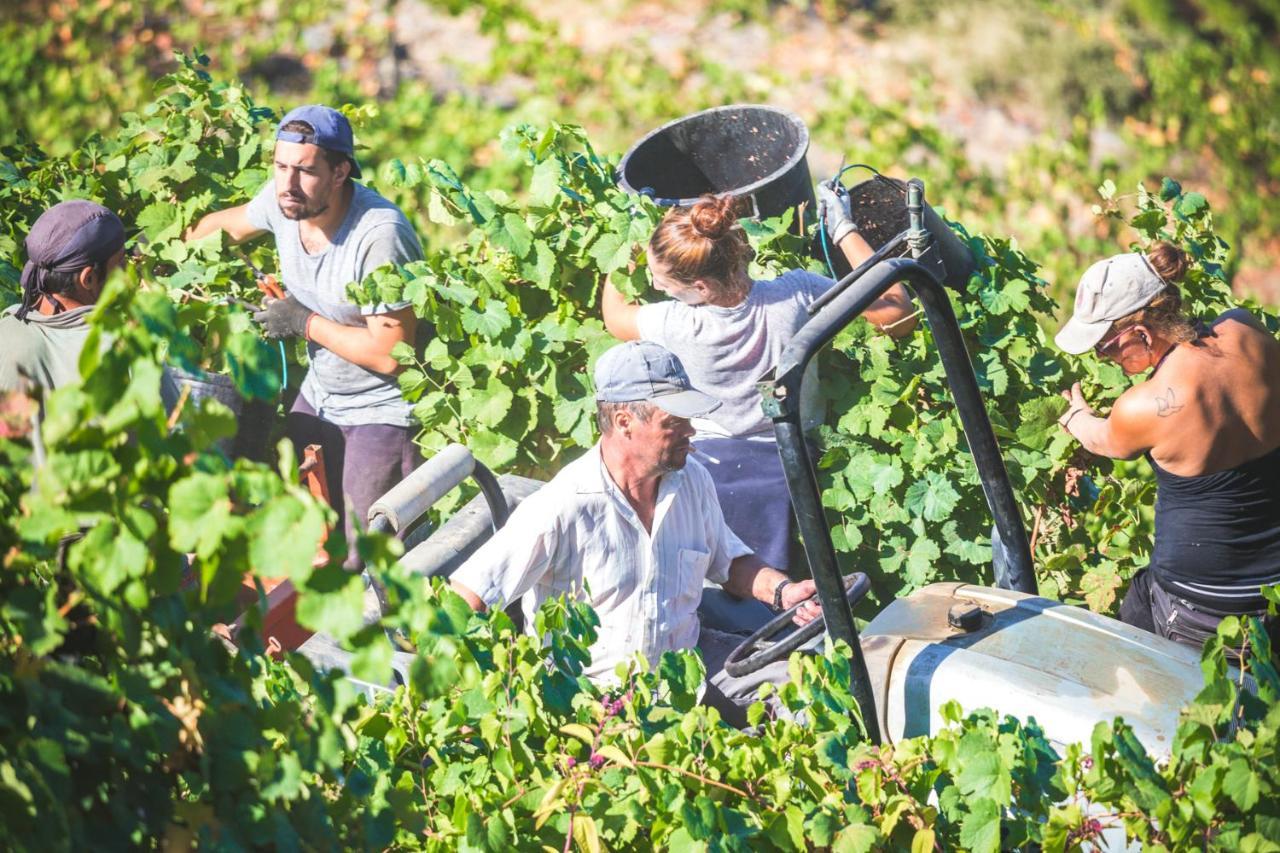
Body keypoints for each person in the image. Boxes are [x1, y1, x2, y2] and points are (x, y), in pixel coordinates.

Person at [449, 341, 826, 726]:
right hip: (595, 695)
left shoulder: (691, 480)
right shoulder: (562, 507)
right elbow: (466, 598)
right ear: (624, 421)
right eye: (672, 422)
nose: (690, 430)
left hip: (688, 665)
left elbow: (728, 561)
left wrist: (783, 591)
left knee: (808, 686)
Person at [600, 190, 917, 606]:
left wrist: (629, 246)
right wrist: (843, 228)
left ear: (698, 287)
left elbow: (614, 315)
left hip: (707, 467)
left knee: (713, 594)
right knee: (778, 595)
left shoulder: (674, 323)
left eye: (662, 281)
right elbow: (898, 313)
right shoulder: (796, 295)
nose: (655, 285)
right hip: (787, 463)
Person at [186, 105, 424, 561]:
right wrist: (156, 251)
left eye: (305, 171)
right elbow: (226, 227)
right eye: (280, 167)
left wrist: (303, 322)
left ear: (340, 172)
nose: (288, 184)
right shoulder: (286, 201)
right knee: (303, 530)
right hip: (321, 393)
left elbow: (391, 354)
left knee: (367, 556)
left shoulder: (378, 236)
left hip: (380, 408)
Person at [1054, 242, 1280, 652]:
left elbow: (1102, 438)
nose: (1104, 359)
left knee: (1120, 662)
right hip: (1275, 591)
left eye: (1105, 347)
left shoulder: (1144, 406)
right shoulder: (1247, 329)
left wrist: (1073, 416)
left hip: (1203, 608)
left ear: (1141, 333)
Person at [1, 200, 127, 392]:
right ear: (89, 278)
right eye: (120, 263)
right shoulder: (123, 351)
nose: (127, 271)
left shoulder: (6, 331)